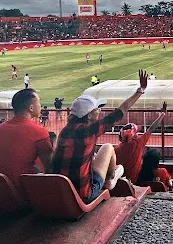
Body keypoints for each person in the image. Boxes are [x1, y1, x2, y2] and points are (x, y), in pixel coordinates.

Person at [52, 70, 150, 203]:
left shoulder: (64, 131)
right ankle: (111, 178)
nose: (99, 111)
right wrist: (140, 90)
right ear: (89, 115)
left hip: (61, 193)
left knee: (95, 156)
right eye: (96, 109)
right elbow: (120, 112)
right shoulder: (90, 130)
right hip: (84, 196)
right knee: (109, 148)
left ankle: (112, 176)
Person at [0, 89, 53, 193]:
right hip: (21, 192)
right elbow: (50, 168)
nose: (40, 105)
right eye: (39, 102)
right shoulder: (39, 131)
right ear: (31, 108)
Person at [115, 105, 167, 182]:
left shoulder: (116, 150)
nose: (138, 134)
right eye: (136, 133)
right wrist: (162, 114)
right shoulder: (138, 143)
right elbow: (151, 128)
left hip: (120, 181)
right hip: (136, 180)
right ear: (134, 135)